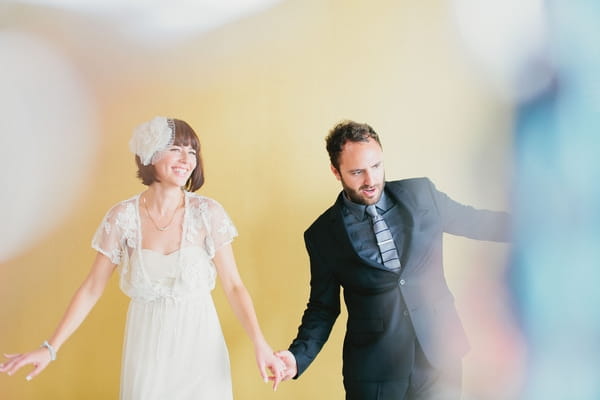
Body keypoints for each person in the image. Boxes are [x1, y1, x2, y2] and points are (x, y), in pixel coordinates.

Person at [0, 116, 283, 399]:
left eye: (192, 151)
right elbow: (91, 288)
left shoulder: (208, 214)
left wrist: (260, 343)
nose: (186, 159)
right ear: (149, 153)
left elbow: (234, 286)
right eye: (175, 148)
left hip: (201, 349)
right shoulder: (123, 217)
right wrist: (50, 348)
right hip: (147, 351)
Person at [273, 120, 510, 399]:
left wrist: (541, 226)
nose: (371, 180)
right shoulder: (323, 235)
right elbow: (322, 308)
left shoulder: (422, 195)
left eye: (376, 166)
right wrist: (297, 356)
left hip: (438, 359)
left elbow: (476, 222)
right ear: (336, 172)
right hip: (375, 375)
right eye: (357, 172)